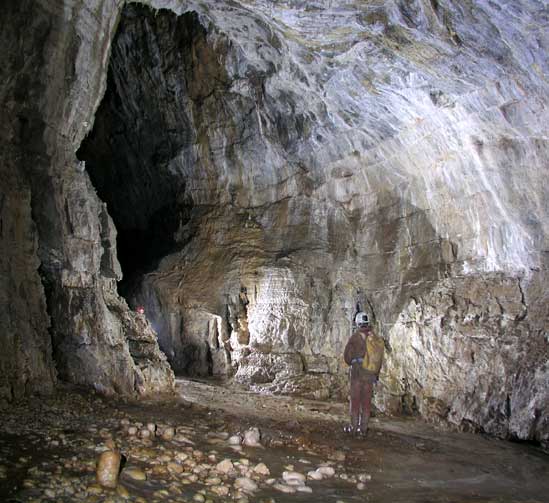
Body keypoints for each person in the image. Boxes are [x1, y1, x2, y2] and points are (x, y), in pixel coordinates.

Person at [343, 312, 384, 436]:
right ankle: (364, 430)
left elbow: (347, 357)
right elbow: (378, 358)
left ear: (357, 323)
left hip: (357, 374)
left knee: (355, 402)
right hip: (370, 375)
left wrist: (354, 361)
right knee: (366, 402)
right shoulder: (374, 338)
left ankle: (354, 428)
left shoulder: (355, 337)